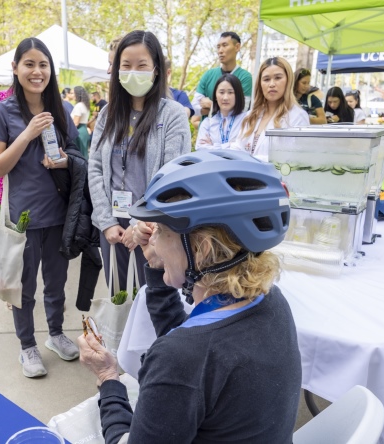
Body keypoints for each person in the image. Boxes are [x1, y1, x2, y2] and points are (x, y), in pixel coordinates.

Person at [78, 150, 302, 443]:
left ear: (202, 249)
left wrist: (108, 378)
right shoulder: (271, 302)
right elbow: (188, 339)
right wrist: (161, 266)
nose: (152, 240)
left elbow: (185, 357)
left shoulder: (182, 357)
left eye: (160, 230)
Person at [0, 37, 81, 378]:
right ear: (15, 68)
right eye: (29, 64)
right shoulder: (2, 110)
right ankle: (27, 346)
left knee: (56, 284)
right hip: (22, 218)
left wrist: (63, 161)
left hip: (58, 214)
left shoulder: (61, 110)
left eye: (43, 64)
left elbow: (76, 155)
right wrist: (27, 134)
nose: (37, 71)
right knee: (23, 288)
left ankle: (55, 334)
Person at [89, 30, 191, 292]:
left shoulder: (173, 115)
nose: (133, 72)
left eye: (142, 65)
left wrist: (139, 226)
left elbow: (172, 177)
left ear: (156, 69)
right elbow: (96, 168)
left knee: (152, 302)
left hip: (153, 229)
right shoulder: (107, 115)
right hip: (112, 228)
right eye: (126, 65)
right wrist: (106, 221)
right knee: (118, 298)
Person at [231, 57, 309, 161]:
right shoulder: (251, 115)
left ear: (288, 81)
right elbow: (238, 147)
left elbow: (293, 159)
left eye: (277, 78)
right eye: (266, 79)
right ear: (260, 84)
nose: (272, 84)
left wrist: (248, 160)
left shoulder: (297, 116)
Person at [192, 32, 252, 122]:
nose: (220, 50)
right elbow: (194, 107)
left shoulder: (245, 77)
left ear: (237, 47)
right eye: (218, 47)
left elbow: (241, 110)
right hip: (206, 133)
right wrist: (226, 107)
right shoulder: (208, 74)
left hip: (232, 133)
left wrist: (211, 105)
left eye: (225, 45)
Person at [196, 74, 247, 150]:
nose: (225, 98)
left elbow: (243, 147)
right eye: (221, 92)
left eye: (230, 92)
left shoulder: (246, 120)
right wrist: (230, 144)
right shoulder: (208, 123)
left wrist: (213, 146)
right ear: (215, 96)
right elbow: (200, 149)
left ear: (238, 95)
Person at [71, 86, 91, 158]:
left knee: (80, 155)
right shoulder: (85, 105)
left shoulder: (78, 106)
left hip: (78, 131)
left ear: (77, 94)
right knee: (84, 154)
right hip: (84, 130)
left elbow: (75, 123)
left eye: (73, 93)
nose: (72, 95)